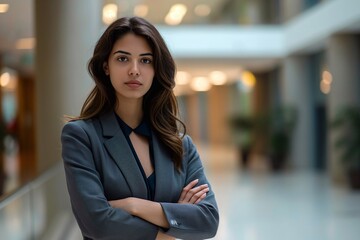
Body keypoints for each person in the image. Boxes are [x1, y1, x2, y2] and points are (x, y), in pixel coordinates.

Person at [61, 16, 219, 240]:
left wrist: (133, 205)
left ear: (156, 70)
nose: (134, 70)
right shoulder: (81, 136)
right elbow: (96, 224)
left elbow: (208, 221)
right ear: (106, 66)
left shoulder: (181, 145)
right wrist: (170, 229)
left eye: (146, 61)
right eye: (123, 58)